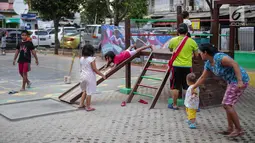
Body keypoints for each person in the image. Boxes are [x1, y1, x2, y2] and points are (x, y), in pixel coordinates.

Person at [191, 43, 249, 137]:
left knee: (227, 104)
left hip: (239, 80)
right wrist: (193, 87)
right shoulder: (209, 64)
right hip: (231, 81)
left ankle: (238, 129)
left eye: (200, 52)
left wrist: (239, 81)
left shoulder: (219, 57)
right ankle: (230, 128)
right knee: (227, 104)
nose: (199, 54)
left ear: (205, 52)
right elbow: (202, 77)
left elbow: (235, 64)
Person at [168, 23, 199, 110]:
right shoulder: (192, 42)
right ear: (187, 32)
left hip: (176, 67)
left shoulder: (173, 40)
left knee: (175, 86)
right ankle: (189, 105)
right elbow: (196, 55)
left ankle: (174, 105)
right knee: (188, 86)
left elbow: (170, 49)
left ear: (178, 31)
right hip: (187, 66)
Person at [78, 44, 106, 111]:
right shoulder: (91, 59)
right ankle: (88, 107)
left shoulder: (81, 58)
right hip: (89, 77)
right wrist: (102, 75)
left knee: (84, 91)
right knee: (89, 92)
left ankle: (81, 104)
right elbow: (94, 69)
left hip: (82, 76)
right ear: (91, 51)